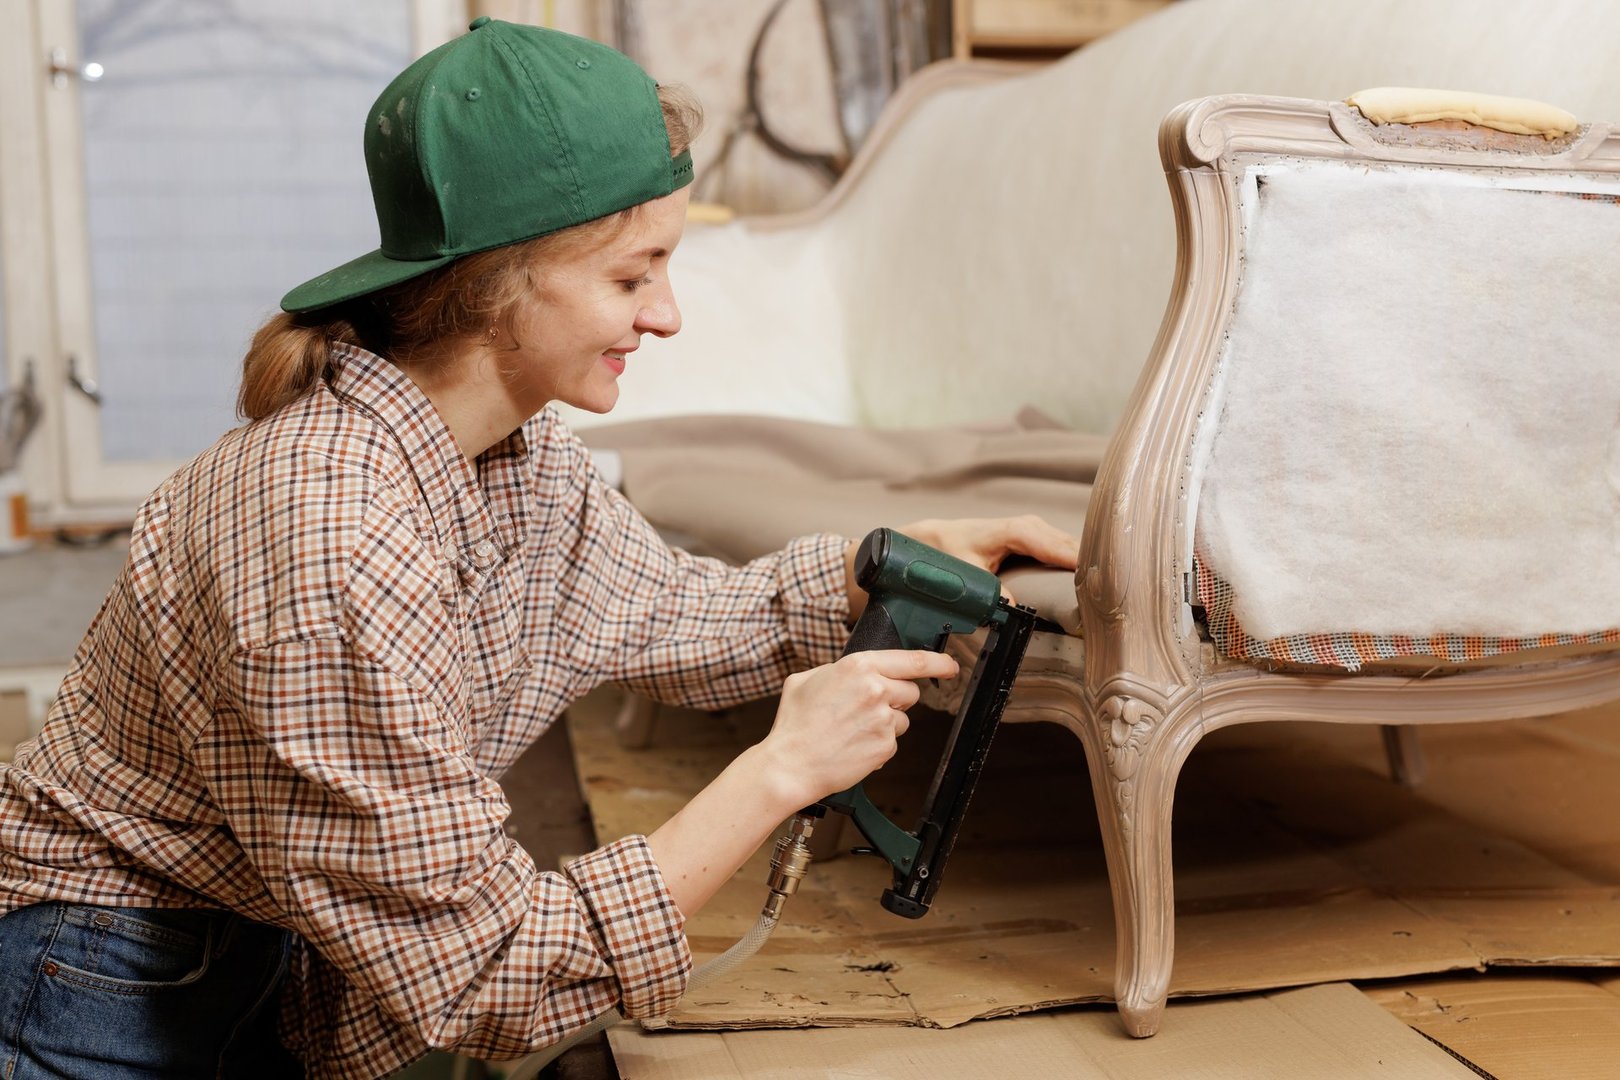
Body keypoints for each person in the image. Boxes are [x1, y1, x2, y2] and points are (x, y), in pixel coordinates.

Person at [0, 18, 1078, 1079]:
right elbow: (485, 971)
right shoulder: (329, 530)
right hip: (104, 975)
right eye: (631, 275)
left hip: (262, 951)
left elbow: (674, 615)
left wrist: (881, 563)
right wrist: (778, 772)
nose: (668, 316)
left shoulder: (519, 462)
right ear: (496, 281)